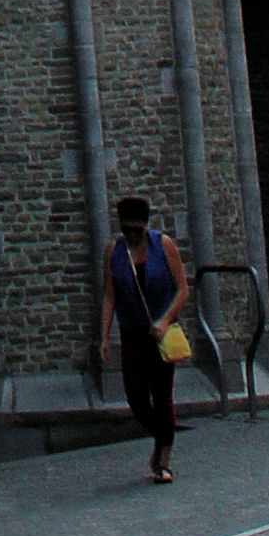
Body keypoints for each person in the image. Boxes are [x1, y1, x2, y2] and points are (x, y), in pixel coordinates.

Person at [98, 192, 193, 484]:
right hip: (132, 332)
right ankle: (163, 436)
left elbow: (183, 289)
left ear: (146, 226)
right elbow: (109, 296)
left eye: (136, 230)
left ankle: (163, 458)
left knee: (162, 395)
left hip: (161, 332)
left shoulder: (163, 245)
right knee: (136, 397)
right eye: (126, 230)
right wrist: (104, 337)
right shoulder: (113, 251)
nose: (131, 236)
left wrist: (164, 320)